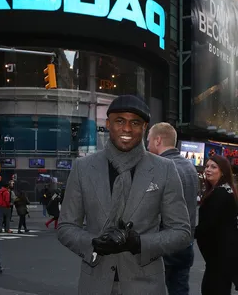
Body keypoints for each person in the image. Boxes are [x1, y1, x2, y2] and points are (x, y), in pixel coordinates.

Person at [58, 95, 191, 295]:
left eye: (135, 123)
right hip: (95, 285)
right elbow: (66, 227)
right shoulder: (83, 168)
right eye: (120, 121)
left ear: (145, 127)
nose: (127, 129)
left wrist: (141, 243)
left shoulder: (164, 169)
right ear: (108, 123)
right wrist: (93, 244)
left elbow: (181, 232)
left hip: (146, 286)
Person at [147, 123, 198, 295]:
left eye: (148, 141)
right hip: (186, 243)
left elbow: (153, 210)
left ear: (158, 140)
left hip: (164, 244)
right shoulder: (190, 166)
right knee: (180, 289)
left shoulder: (162, 167)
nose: (147, 146)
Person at [195, 155, 238, 295]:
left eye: (213, 167)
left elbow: (207, 226)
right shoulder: (225, 191)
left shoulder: (220, 194)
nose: (208, 169)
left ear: (223, 171)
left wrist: (186, 233)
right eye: (207, 166)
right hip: (222, 258)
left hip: (219, 259)